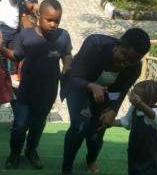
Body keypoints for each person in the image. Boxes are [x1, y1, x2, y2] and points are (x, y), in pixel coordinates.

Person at [61, 28, 151, 175]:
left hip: (106, 95)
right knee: (80, 125)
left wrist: (113, 110)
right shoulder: (94, 45)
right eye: (124, 56)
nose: (125, 63)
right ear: (119, 44)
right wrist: (91, 86)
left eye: (133, 61)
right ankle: (67, 167)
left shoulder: (135, 67)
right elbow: (74, 78)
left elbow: (120, 92)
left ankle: (91, 160)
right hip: (79, 88)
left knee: (98, 129)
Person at [1, 0, 72, 170]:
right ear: (39, 17)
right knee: (20, 125)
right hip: (27, 90)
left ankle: (31, 151)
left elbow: (67, 54)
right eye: (49, 20)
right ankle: (14, 153)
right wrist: (1, 47)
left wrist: (67, 66)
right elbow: (16, 55)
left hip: (48, 91)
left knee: (38, 125)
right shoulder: (26, 35)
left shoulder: (63, 36)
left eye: (57, 21)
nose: (54, 24)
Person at [114, 80, 157, 175]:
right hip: (136, 149)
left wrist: (140, 104)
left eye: (135, 95)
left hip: (152, 153)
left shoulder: (156, 112)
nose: (131, 96)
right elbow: (127, 122)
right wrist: (111, 123)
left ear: (146, 100)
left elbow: (153, 116)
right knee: (134, 170)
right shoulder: (134, 108)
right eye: (132, 92)